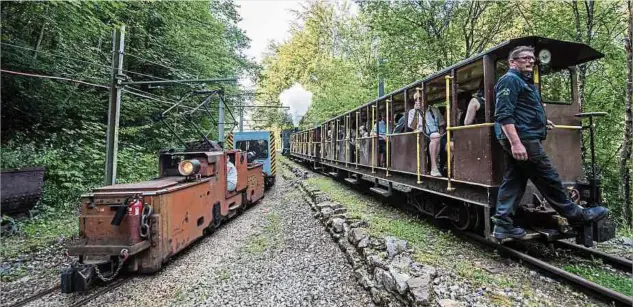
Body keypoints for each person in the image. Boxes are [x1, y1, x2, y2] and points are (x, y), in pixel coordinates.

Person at [492, 45, 608, 239]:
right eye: (524, 58)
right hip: (524, 139)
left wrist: (542, 121)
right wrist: (516, 143)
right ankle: (577, 215)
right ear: (512, 62)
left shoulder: (523, 82)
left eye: (532, 58)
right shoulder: (509, 80)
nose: (530, 61)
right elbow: (504, 115)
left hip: (525, 136)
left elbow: (523, 110)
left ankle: (503, 224)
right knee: (548, 178)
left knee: (514, 181)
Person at [408, 92, 447, 177]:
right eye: (416, 99)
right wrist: (416, 111)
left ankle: (447, 169)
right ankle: (434, 168)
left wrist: (440, 136)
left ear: (426, 99)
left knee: (449, 144)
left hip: (436, 136)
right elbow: (412, 126)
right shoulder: (412, 112)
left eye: (421, 98)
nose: (419, 101)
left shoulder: (435, 110)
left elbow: (441, 126)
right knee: (435, 137)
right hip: (422, 137)